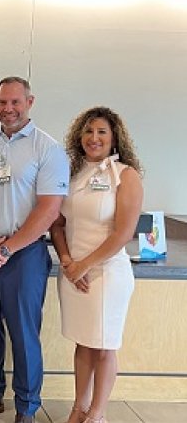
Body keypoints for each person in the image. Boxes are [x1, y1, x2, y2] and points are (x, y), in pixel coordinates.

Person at [0, 77, 70, 423]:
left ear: (30, 102)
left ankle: (27, 407)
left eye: (15, 102)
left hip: (24, 255)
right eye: (2, 102)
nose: (8, 109)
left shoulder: (47, 149)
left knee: (23, 333)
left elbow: (49, 209)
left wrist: (9, 248)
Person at [49, 107, 143, 423]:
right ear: (79, 136)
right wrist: (66, 260)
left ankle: (97, 413)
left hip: (107, 272)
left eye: (102, 132)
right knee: (84, 342)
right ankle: (79, 407)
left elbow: (123, 233)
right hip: (73, 270)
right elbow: (57, 224)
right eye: (88, 131)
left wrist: (84, 266)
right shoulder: (72, 173)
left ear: (114, 136)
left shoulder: (126, 175)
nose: (94, 138)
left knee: (104, 346)